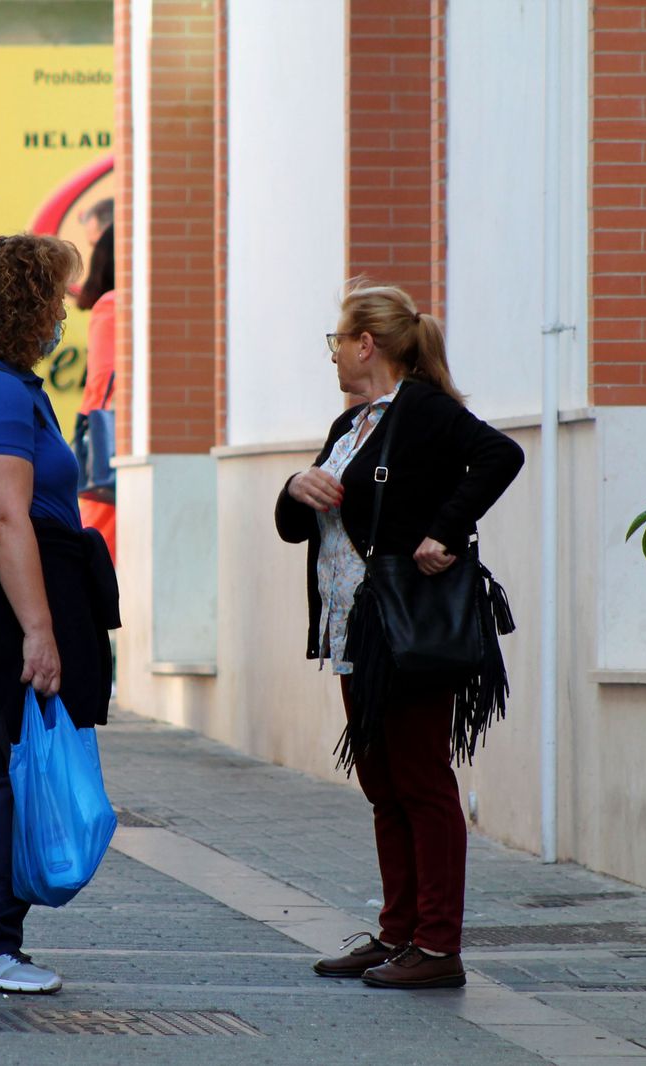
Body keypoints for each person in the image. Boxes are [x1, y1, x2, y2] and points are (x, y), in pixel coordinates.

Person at [275, 281, 522, 990]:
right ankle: (398, 933)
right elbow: (299, 522)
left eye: (336, 343)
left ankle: (437, 946)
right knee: (383, 780)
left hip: (407, 621)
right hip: (356, 624)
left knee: (419, 778)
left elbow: (501, 456)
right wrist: (296, 484)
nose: (332, 358)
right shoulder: (351, 424)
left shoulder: (423, 411)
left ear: (365, 344)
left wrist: (445, 530)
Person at [0, 234, 120, 995]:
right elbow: (6, 519)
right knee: (15, 765)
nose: (64, 315)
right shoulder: (0, 393)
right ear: (28, 303)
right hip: (6, 597)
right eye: (56, 298)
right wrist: (39, 631)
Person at [74, 224, 116, 560]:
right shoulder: (115, 306)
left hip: (107, 443)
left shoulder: (110, 306)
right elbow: (105, 383)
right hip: (110, 448)